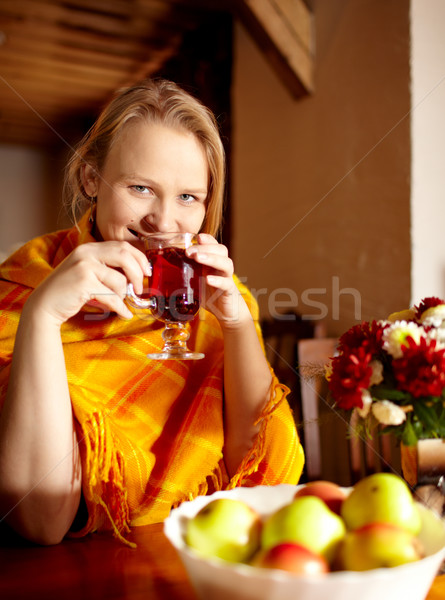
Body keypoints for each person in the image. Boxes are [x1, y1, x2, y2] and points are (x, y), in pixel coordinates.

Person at [0, 79, 304, 547]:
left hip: (197, 557)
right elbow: (41, 519)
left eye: (188, 197)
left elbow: (266, 478)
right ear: (89, 178)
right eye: (140, 188)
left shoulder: (219, 299)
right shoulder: (20, 286)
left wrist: (237, 323)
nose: (163, 222)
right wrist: (42, 316)